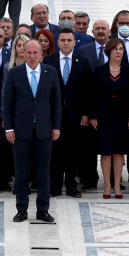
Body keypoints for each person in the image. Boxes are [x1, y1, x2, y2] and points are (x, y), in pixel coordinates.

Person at [3, 38, 61, 223]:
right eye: (29, 52)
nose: (32, 56)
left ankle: (43, 210)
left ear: (41, 54)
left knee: (43, 173)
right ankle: (22, 209)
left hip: (44, 130)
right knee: (21, 172)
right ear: (23, 53)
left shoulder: (50, 72)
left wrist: (56, 126)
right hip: (21, 131)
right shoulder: (15, 73)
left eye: (36, 52)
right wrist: (9, 128)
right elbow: (8, 103)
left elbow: (56, 103)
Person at [43, 28, 92, 197]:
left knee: (73, 151)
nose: (65, 43)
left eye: (69, 40)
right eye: (62, 40)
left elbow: (88, 90)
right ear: (58, 42)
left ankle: (71, 185)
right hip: (54, 115)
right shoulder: (48, 60)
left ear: (74, 42)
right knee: (55, 151)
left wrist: (86, 113)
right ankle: (56, 186)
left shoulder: (83, 62)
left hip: (75, 115)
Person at [91, 40, 129, 198]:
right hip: (104, 115)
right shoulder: (100, 71)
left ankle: (117, 185)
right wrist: (93, 116)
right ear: (109, 51)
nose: (118, 52)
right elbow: (93, 95)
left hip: (122, 115)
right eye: (115, 49)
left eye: (121, 49)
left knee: (119, 152)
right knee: (106, 151)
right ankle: (107, 185)